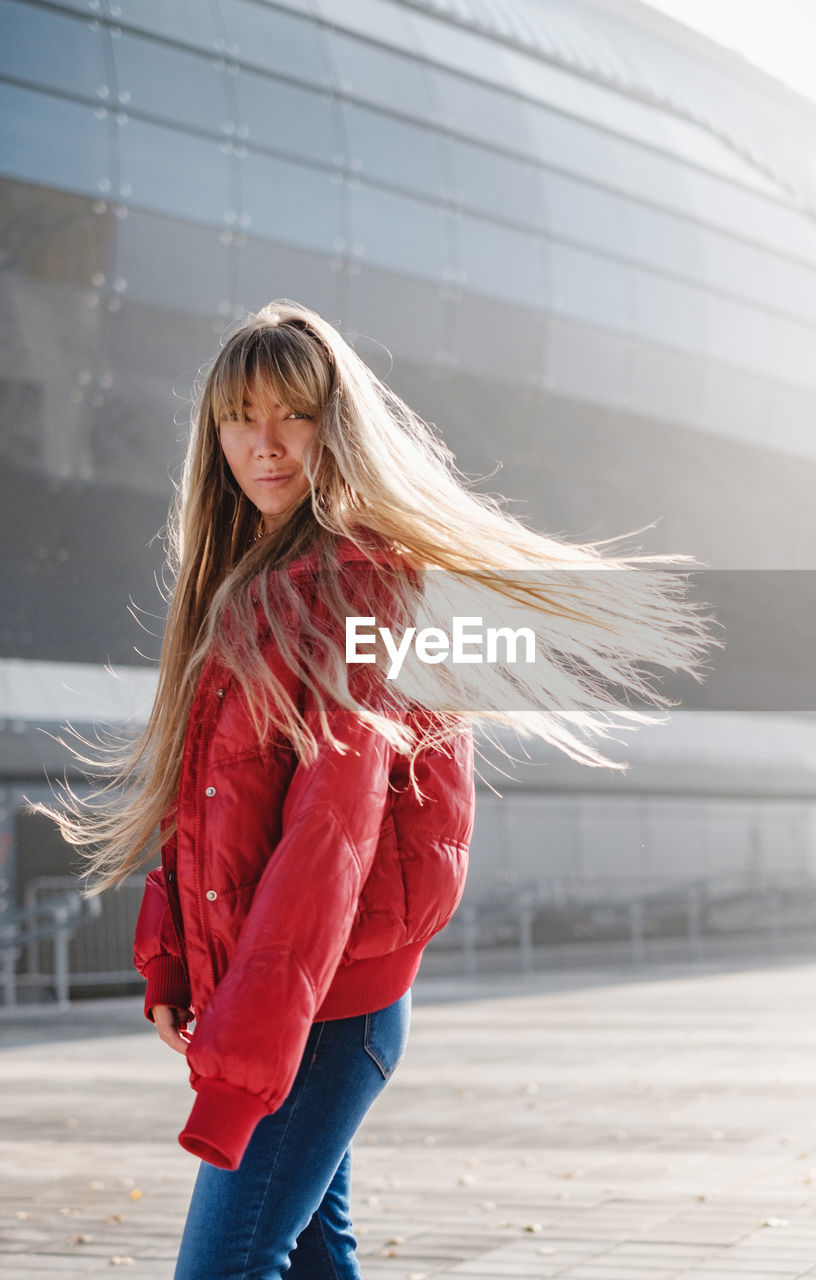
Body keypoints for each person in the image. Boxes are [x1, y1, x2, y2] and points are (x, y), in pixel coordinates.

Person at [42, 300, 718, 1277]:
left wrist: (241, 1065)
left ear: (337, 424)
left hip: (320, 1010)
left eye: (294, 415)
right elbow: (214, 805)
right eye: (240, 415)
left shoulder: (355, 586)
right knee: (317, 1261)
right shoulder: (259, 580)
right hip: (294, 1001)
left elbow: (328, 837)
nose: (264, 444)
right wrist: (174, 959)